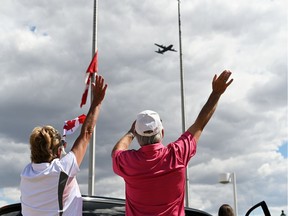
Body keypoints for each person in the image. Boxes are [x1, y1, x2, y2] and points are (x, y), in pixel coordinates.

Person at [111, 70, 233, 216]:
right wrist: (216, 93)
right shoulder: (177, 154)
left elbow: (117, 151)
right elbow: (200, 124)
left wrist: (130, 133)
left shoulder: (127, 162)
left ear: (137, 136)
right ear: (162, 133)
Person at [20, 75, 107, 216]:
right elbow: (86, 134)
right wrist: (96, 103)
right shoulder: (61, 170)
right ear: (58, 151)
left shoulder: (26, 174)